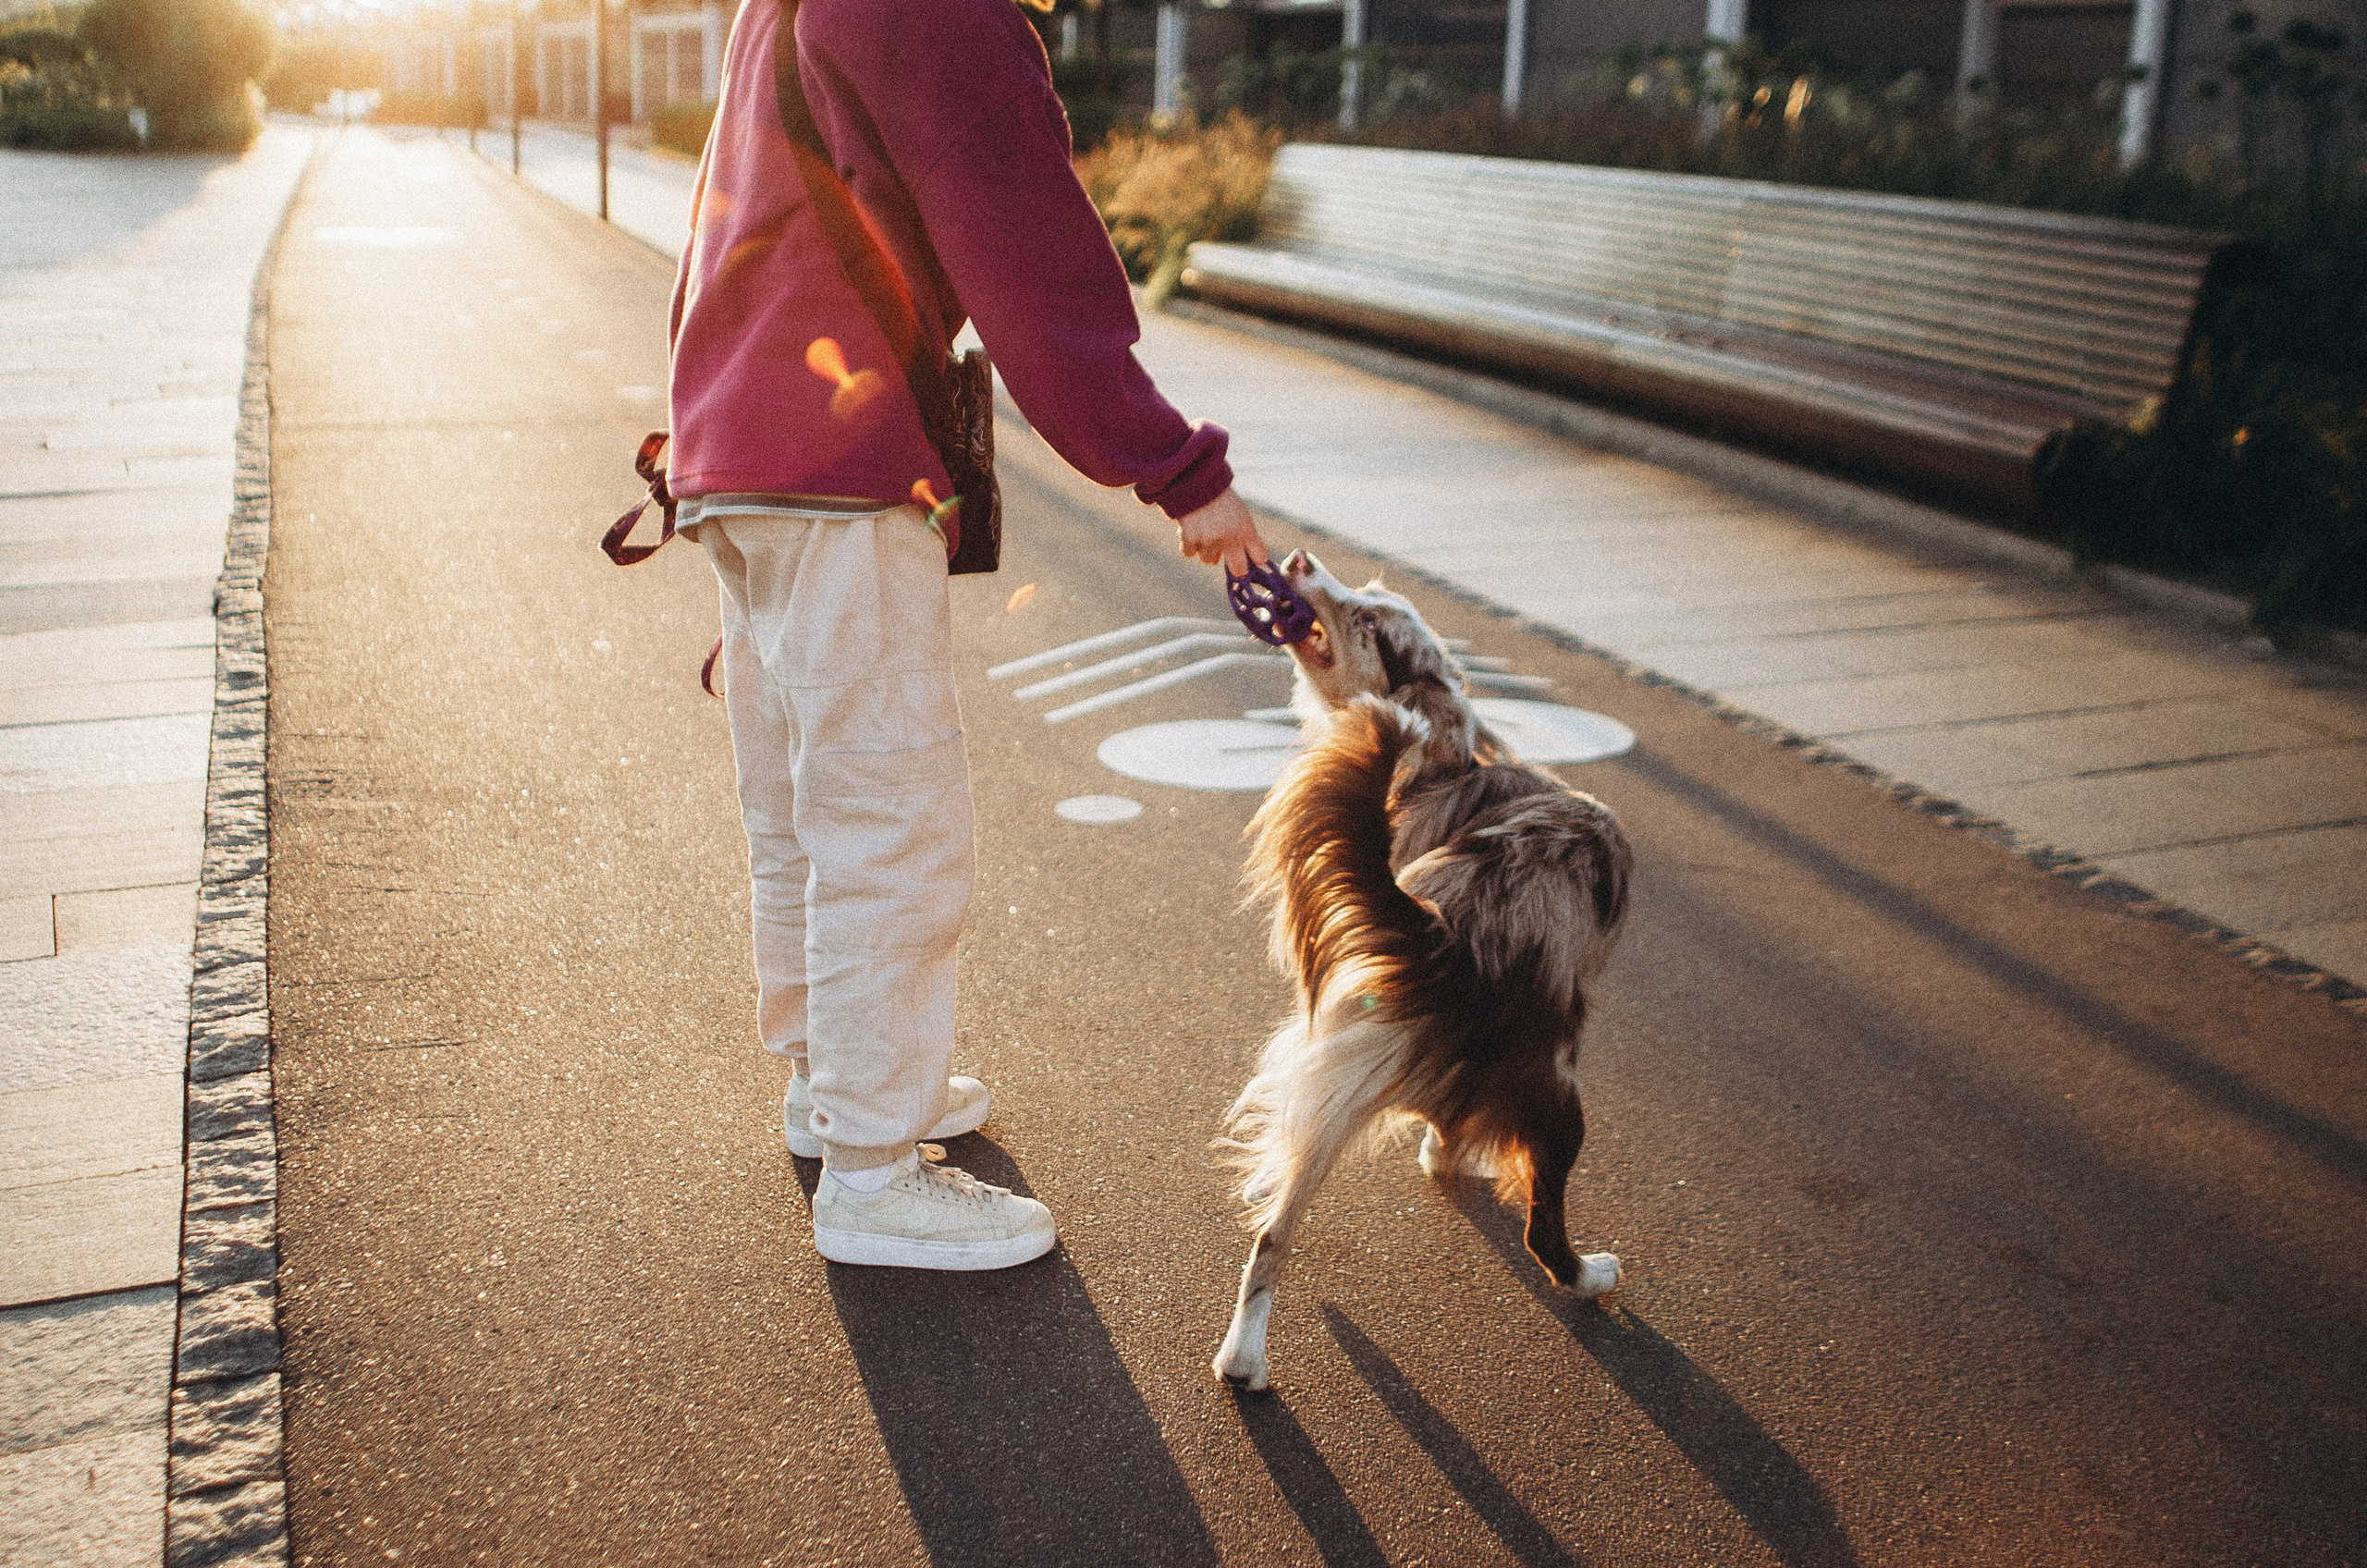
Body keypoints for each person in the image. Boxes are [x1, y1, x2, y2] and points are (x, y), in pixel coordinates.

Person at [663, 0, 1269, 1269]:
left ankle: (834, 1090)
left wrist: (715, 470)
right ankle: (875, 1173)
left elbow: (718, 222)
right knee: (889, 816)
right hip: (838, 456)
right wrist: (1179, 470)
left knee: (803, 810)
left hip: (742, 447)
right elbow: (1031, 256)